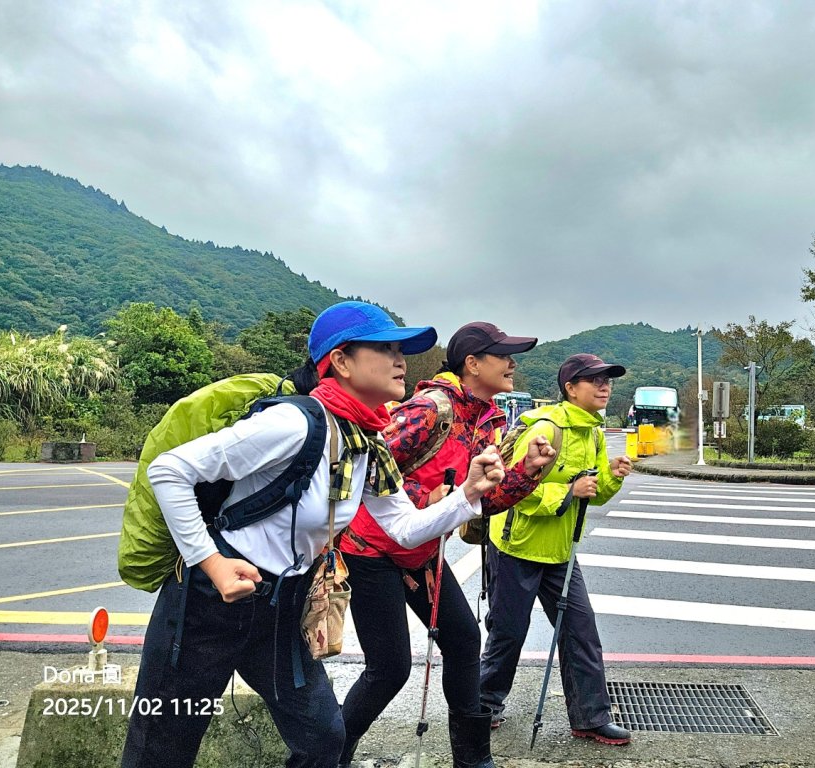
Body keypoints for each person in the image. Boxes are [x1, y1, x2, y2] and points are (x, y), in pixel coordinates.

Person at [121, 301, 506, 768]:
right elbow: (169, 471)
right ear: (340, 361)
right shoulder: (294, 423)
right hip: (207, 604)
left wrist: (468, 493)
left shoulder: (366, 441)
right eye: (384, 349)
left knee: (324, 738)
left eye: (401, 350)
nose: (400, 360)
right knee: (163, 746)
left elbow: (403, 528)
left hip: (282, 607)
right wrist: (212, 563)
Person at [337, 322, 555, 768]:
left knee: (463, 640)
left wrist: (527, 472)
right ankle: (330, 751)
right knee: (390, 669)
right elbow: (359, 471)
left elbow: (482, 500)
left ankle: (473, 759)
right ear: (472, 364)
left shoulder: (488, 419)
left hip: (422, 553)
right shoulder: (428, 410)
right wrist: (429, 498)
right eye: (503, 355)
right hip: (371, 551)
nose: (513, 363)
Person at [479, 353, 634, 746]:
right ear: (570, 387)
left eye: (608, 380)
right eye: (595, 380)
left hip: (561, 551)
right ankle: (484, 704)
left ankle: (590, 716)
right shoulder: (546, 429)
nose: (605, 387)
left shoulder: (594, 433)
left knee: (581, 631)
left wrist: (611, 479)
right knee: (508, 632)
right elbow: (511, 490)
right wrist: (567, 490)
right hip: (517, 546)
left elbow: (592, 494)